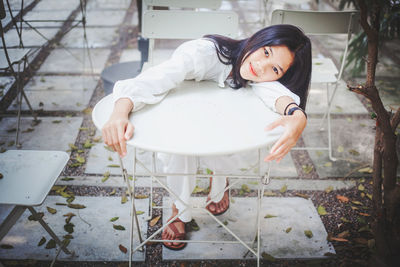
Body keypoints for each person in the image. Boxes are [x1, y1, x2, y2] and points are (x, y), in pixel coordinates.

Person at [101, 24, 312, 250]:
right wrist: (119, 112)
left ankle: (219, 180)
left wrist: (297, 114)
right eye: (266, 52)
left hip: (218, 120)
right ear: (258, 39)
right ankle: (179, 208)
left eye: (275, 69)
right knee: (179, 152)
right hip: (180, 115)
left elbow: (273, 92)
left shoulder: (255, 74)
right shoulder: (203, 55)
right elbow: (157, 78)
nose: (260, 67)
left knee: (231, 145)